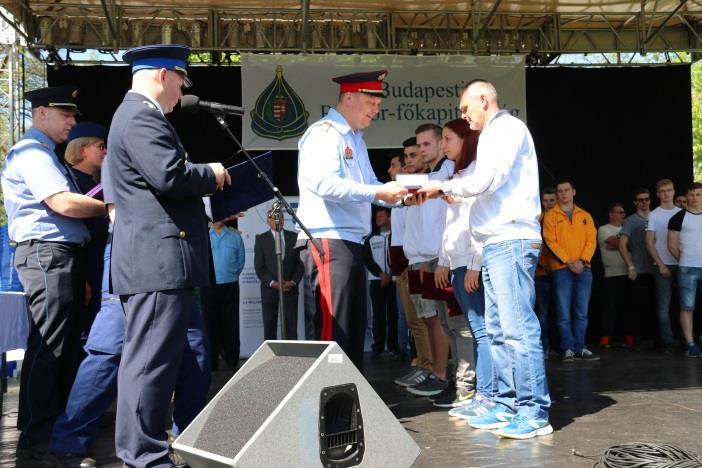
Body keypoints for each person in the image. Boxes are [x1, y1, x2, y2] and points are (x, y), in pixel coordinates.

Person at [101, 44, 230, 467]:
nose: (180, 92)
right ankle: (143, 456)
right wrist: (210, 174)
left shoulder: (141, 116)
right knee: (149, 365)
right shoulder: (139, 115)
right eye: (179, 81)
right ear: (162, 75)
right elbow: (168, 176)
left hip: (164, 262)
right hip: (155, 263)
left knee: (183, 358)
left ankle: (177, 443)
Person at [417, 79, 552, 439]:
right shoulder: (493, 135)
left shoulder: (505, 129)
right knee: (497, 330)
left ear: (483, 100)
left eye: (465, 109)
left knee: (517, 329)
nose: (463, 116)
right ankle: (505, 404)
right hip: (494, 242)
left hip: (510, 239)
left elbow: (488, 179)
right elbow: (479, 182)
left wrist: (444, 187)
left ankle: (534, 410)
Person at [45, 219, 211, 468]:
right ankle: (66, 445)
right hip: (134, 246)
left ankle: (184, 440)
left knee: (195, 348)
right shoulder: (123, 179)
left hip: (179, 252)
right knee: (109, 352)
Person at [1, 86, 106, 458]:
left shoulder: (45, 153)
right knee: (51, 345)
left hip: (58, 255)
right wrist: (111, 204)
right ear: (41, 112)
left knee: (54, 343)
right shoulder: (32, 153)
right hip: (48, 254)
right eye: (67, 115)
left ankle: (40, 426)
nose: (73, 122)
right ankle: (40, 434)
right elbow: (62, 202)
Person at [295, 70, 407, 372]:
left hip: (352, 242)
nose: (376, 110)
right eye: (371, 102)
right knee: (335, 331)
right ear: (348, 97)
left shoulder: (356, 139)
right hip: (328, 239)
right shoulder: (325, 133)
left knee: (354, 331)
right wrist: (377, 190)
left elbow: (370, 184)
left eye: (378, 104)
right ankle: (327, 406)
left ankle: (345, 405)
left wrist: (398, 194)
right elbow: (325, 185)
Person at [432, 118, 484, 409]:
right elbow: (449, 224)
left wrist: (475, 264)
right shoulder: (458, 174)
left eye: (448, 139)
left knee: (479, 330)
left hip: (469, 262)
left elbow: (478, 222)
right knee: (473, 329)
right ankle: (479, 394)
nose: (443, 145)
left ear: (466, 140)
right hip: (457, 262)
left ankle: (480, 393)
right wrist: (444, 260)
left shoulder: (476, 174)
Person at [403, 123, 454, 398]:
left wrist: (431, 257)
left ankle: (443, 375)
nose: (421, 150)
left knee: (442, 322)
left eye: (426, 145)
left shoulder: (443, 179)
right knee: (430, 321)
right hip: (421, 259)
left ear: (439, 145)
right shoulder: (427, 179)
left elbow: (443, 223)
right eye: (418, 145)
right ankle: (439, 373)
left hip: (436, 259)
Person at [392, 136, 435, 388]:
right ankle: (423, 362)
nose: (409, 161)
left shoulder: (427, 187)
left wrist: (415, 261)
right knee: (415, 320)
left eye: (413, 155)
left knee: (424, 320)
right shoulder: (403, 191)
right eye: (406, 156)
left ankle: (430, 367)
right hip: (407, 261)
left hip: (420, 261)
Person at [542, 180, 598, 362]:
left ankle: (580, 347)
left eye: (566, 190)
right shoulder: (551, 216)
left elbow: (592, 241)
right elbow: (550, 242)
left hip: (584, 269)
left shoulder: (585, 216)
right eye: (560, 191)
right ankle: (567, 348)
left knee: (581, 312)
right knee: (563, 312)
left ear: (574, 192)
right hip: (561, 269)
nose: (563, 193)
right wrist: (569, 261)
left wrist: (582, 261)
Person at [64, 122, 110, 336]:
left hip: (103, 256)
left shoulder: (102, 181)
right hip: (86, 257)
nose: (106, 151)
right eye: (100, 146)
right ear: (83, 148)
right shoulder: (67, 180)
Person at [254, 207, 304, 340]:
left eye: (280, 217)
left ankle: (292, 356)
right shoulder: (261, 239)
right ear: (267, 221)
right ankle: (272, 357)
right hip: (269, 290)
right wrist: (273, 283)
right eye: (274, 218)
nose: (278, 220)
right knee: (270, 326)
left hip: (290, 289)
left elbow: (300, 265)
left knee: (291, 326)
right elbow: (259, 267)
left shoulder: (294, 237)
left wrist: (293, 282)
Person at [202, 216, 245, 370]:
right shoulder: (203, 236)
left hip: (230, 286)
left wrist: (230, 275)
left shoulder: (235, 236)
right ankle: (211, 364)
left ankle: (233, 362)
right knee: (210, 326)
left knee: (231, 325)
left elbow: (240, 262)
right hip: (209, 287)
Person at [645, 179, 681, 351]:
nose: (666, 193)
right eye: (663, 191)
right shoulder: (654, 214)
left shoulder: (683, 212)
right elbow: (649, 243)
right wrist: (660, 264)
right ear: (658, 194)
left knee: (685, 305)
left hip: (683, 264)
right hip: (663, 263)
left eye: (669, 190)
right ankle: (667, 341)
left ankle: (687, 339)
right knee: (663, 306)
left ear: (674, 191)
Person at [667, 182, 702, 357]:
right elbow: (671, 244)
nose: (695, 198)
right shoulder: (678, 218)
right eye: (692, 194)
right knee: (687, 307)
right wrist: (684, 260)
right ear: (686, 196)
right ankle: (690, 343)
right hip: (687, 268)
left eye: (698, 194)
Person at [619, 188, 655, 347]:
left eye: (646, 199)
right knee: (637, 306)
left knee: (657, 305)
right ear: (635, 202)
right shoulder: (630, 221)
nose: (644, 202)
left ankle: (657, 338)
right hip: (639, 270)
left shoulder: (657, 216)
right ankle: (637, 338)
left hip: (657, 269)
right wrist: (631, 266)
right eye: (640, 200)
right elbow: (621, 245)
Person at [364, 207, 400, 358]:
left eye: (381, 215)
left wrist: (390, 275)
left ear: (390, 218)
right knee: (378, 314)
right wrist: (381, 274)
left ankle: (394, 346)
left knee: (394, 314)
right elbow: (367, 259)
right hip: (376, 281)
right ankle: (377, 346)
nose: (378, 218)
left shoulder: (396, 236)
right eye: (376, 216)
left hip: (394, 281)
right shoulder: (370, 238)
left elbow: (399, 257)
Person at [597, 202, 632, 349]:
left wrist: (619, 245)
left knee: (628, 308)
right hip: (611, 274)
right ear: (611, 214)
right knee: (609, 308)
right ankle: (605, 339)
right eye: (620, 212)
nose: (623, 215)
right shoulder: (603, 229)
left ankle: (629, 339)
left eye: (624, 212)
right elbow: (614, 242)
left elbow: (623, 244)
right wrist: (624, 244)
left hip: (629, 272)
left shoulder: (627, 229)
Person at [535, 187, 557, 356]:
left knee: (560, 312)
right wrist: (543, 266)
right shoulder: (538, 220)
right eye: (546, 201)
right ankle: (545, 347)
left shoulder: (559, 218)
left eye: (552, 200)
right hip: (541, 274)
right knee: (543, 313)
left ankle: (562, 347)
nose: (549, 204)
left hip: (560, 271)